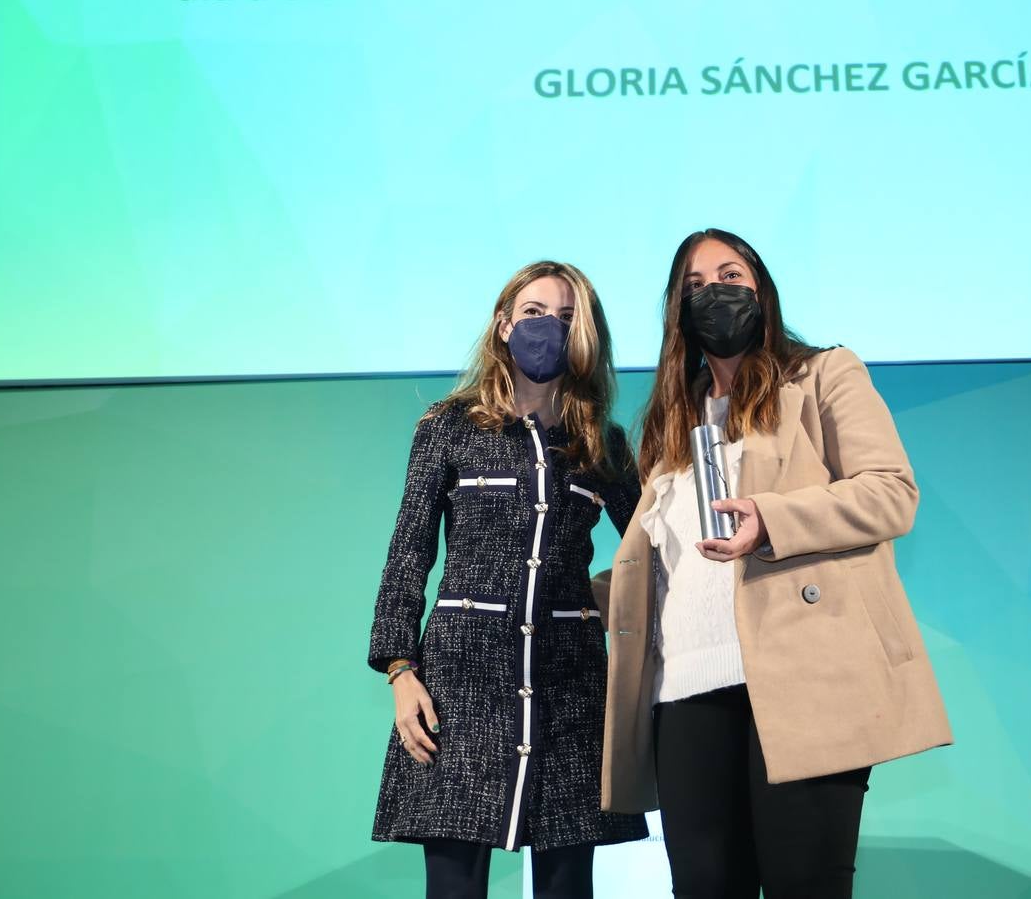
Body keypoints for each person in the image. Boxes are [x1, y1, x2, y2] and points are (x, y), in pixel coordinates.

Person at [598, 229, 952, 899]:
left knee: (804, 884)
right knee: (703, 887)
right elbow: (666, 563)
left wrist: (772, 519)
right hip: (686, 690)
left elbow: (891, 492)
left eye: (729, 274)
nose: (714, 294)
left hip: (803, 678)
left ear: (761, 287)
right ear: (677, 312)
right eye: (695, 286)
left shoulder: (823, 375)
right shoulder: (671, 422)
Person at [368, 261, 647, 899]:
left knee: (567, 885)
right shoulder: (447, 426)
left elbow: (648, 553)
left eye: (568, 317)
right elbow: (408, 551)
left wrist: (596, 599)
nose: (549, 327)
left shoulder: (601, 444)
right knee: (455, 886)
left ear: (588, 339)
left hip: (571, 689)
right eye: (533, 313)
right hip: (460, 684)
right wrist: (400, 670)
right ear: (502, 326)